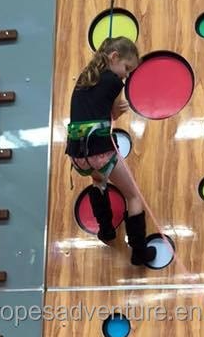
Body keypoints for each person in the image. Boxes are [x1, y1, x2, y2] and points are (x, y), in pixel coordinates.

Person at [67, 36, 156, 265]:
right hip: (99, 152)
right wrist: (120, 110)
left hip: (78, 156)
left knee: (98, 181)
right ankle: (139, 253)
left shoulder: (84, 80)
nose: (125, 75)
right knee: (133, 196)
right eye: (126, 68)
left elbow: (96, 112)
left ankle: (106, 230)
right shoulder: (114, 82)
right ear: (114, 57)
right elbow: (114, 115)